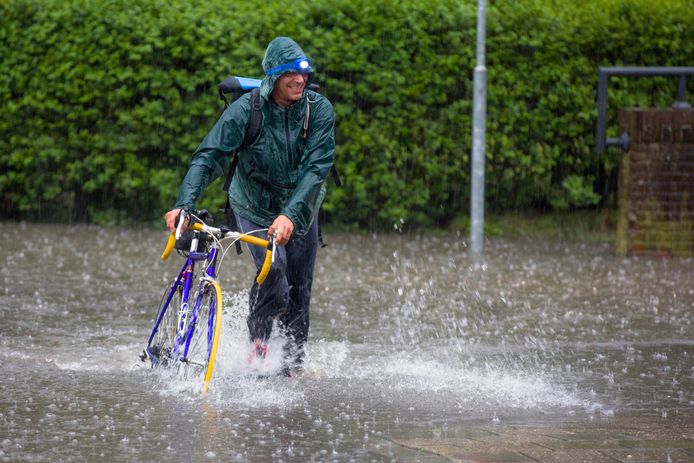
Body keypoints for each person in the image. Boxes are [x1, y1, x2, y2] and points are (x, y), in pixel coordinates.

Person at [164, 37, 335, 376]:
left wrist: (290, 214)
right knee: (273, 270)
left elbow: (316, 169)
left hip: (301, 208)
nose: (299, 81)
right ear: (273, 77)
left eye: (303, 75)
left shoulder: (319, 110)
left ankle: (292, 369)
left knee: (299, 291)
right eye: (290, 75)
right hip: (252, 205)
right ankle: (257, 351)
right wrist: (184, 204)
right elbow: (210, 155)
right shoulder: (246, 110)